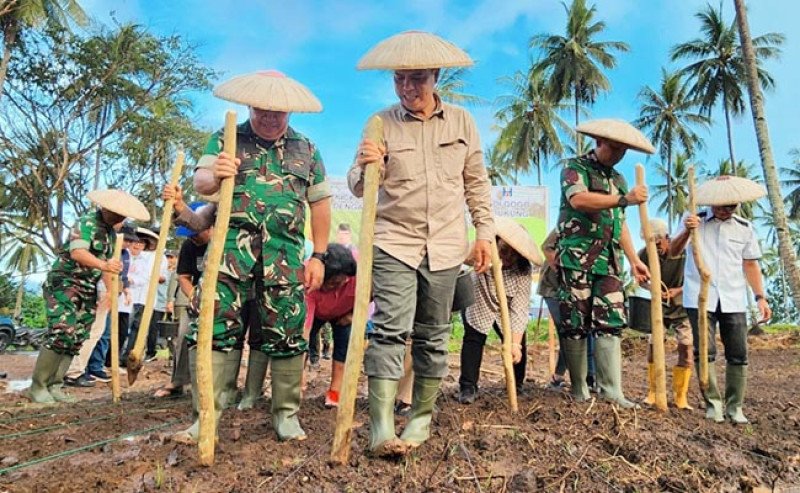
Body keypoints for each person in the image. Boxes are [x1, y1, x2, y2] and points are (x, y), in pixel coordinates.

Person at [349, 31, 494, 457]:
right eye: (399, 80)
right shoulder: (379, 123)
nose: (408, 88)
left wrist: (484, 232)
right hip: (395, 242)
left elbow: (476, 183)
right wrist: (367, 164)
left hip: (447, 246)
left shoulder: (463, 123)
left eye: (417, 79)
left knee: (433, 336)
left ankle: (421, 419)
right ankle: (380, 426)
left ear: (436, 77)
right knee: (391, 330)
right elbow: (358, 187)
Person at [176, 70, 331, 443]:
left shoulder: (307, 149)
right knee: (213, 332)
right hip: (228, 258)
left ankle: (285, 415)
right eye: (262, 110)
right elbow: (199, 183)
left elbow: (320, 205)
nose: (270, 117)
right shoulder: (225, 138)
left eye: (278, 112)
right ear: (250, 105)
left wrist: (319, 256)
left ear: (289, 111)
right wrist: (216, 173)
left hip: (284, 258)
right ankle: (205, 417)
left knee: (288, 334)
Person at [556, 119, 653, 408]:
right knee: (575, 322)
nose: (619, 154)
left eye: (624, 151)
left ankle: (611, 391)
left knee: (611, 321)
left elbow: (619, 223)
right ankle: (578, 389)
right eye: (615, 148)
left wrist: (635, 259)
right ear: (599, 142)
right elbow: (579, 201)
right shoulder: (574, 168)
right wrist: (623, 200)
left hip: (609, 262)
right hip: (577, 258)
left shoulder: (619, 179)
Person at [27, 190, 149, 403]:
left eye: (124, 216)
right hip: (65, 283)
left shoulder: (112, 234)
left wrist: (111, 291)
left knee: (77, 337)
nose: (121, 219)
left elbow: (106, 265)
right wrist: (104, 264)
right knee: (62, 331)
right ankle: (38, 386)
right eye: (118, 214)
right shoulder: (85, 223)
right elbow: (78, 253)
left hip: (88, 287)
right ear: (106, 209)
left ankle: (56, 384)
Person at [669, 176, 771, 424]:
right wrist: (686, 230)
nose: (726, 211)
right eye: (722, 206)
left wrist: (760, 297)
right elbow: (673, 251)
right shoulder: (695, 219)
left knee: (738, 352)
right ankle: (713, 404)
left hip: (733, 298)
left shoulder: (744, 228)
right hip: (699, 297)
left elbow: (750, 265)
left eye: (731, 206)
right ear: (712, 203)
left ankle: (735, 407)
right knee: (706, 351)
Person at [456, 217, 542, 404]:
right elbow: (464, 257)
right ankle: (468, 386)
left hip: (508, 307)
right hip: (480, 300)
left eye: (512, 255)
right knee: (473, 338)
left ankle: (517, 383)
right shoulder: (483, 251)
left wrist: (515, 344)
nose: (508, 259)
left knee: (517, 342)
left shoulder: (523, 271)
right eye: (504, 253)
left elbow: (519, 309)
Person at [154, 199, 211, 399]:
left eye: (195, 232)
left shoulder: (224, 241)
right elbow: (183, 277)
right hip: (198, 297)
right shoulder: (188, 246)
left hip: (227, 299)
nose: (193, 238)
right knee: (185, 333)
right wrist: (195, 297)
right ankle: (178, 380)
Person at [637, 219, 694, 409]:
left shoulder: (684, 254)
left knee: (686, 347)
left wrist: (678, 290)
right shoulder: (644, 255)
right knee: (654, 346)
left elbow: (697, 280)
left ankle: (681, 396)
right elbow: (639, 279)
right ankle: (653, 392)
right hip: (658, 308)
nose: (654, 247)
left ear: (666, 238)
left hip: (682, 308)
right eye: (649, 243)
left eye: (657, 243)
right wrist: (650, 286)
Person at [303, 243, 358, 408]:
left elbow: (374, 293)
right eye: (331, 283)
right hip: (317, 312)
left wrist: (351, 316)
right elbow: (304, 329)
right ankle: (295, 388)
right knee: (301, 346)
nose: (337, 285)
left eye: (340, 282)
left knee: (343, 347)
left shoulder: (358, 273)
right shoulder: (309, 277)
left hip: (344, 313)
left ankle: (335, 392)